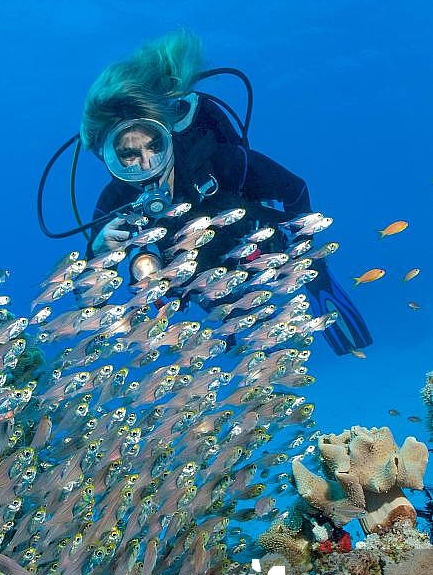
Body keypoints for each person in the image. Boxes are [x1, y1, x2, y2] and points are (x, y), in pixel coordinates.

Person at [79, 30, 372, 355]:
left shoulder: (217, 161)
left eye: (154, 145)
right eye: (128, 154)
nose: (147, 163)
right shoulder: (114, 202)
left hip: (259, 253)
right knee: (251, 348)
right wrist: (97, 252)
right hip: (200, 282)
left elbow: (295, 188)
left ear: (167, 134)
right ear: (107, 157)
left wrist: (306, 255)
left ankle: (315, 290)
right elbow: (88, 302)